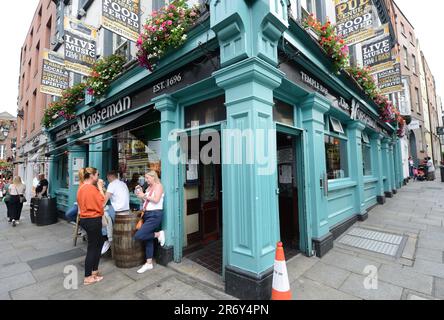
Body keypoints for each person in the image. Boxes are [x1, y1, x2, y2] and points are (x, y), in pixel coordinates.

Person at [77, 167, 106, 286]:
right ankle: (88, 276)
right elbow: (102, 202)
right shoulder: (91, 188)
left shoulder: (81, 187)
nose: (98, 177)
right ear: (92, 176)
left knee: (98, 244)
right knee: (93, 247)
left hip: (86, 219)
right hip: (93, 219)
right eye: (97, 175)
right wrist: (100, 187)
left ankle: (94, 271)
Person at [134, 170, 166, 274]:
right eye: (146, 178)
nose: (146, 180)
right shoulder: (148, 188)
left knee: (139, 235)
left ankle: (158, 234)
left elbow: (156, 200)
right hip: (147, 214)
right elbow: (146, 201)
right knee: (148, 239)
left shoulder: (158, 186)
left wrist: (144, 195)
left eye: (147, 178)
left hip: (155, 215)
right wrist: (140, 195)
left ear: (153, 177)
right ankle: (149, 263)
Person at [101, 171, 130, 254]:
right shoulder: (123, 183)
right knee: (106, 212)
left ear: (110, 177)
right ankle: (108, 238)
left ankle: (107, 239)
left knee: (102, 214)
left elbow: (104, 200)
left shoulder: (112, 184)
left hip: (117, 210)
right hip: (126, 210)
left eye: (107, 178)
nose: (107, 180)